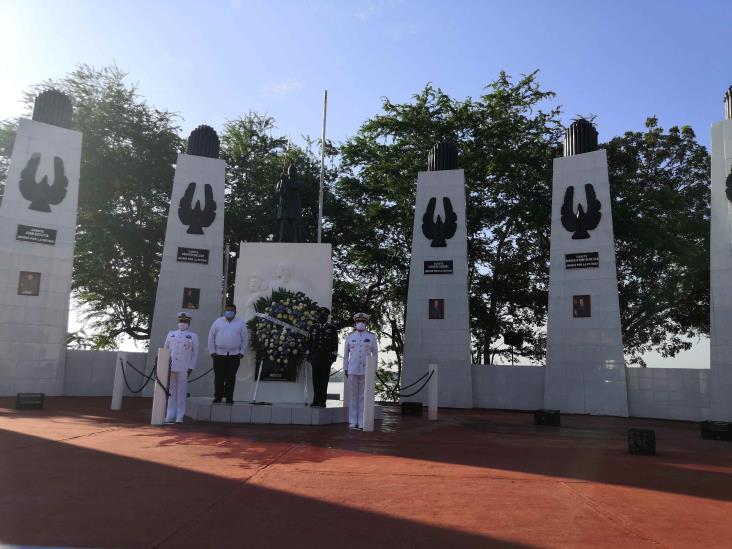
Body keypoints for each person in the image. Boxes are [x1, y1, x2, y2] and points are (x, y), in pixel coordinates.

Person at [342, 312, 378, 430]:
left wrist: (373, 369)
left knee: (363, 397)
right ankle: (352, 422)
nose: (360, 324)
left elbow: (375, 354)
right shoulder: (350, 337)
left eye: (362, 321)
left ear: (366, 323)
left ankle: (362, 421)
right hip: (352, 369)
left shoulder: (372, 337)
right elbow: (346, 355)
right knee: (352, 397)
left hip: (366, 370)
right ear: (355, 323)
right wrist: (346, 368)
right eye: (358, 322)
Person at [208, 304, 249, 404]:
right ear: (224, 311)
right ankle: (218, 397)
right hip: (219, 354)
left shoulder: (240, 323)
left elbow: (245, 338)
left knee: (231, 377)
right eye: (227, 310)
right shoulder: (218, 322)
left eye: (231, 310)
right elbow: (211, 337)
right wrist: (212, 351)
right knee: (219, 377)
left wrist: (242, 352)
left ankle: (229, 398)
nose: (229, 312)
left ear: (235, 312)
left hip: (234, 355)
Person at [163, 312, 199, 424]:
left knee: (181, 392)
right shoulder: (171, 334)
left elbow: (195, 353)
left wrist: (191, 367)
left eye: (185, 321)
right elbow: (166, 350)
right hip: (171, 366)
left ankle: (180, 416)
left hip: (184, 367)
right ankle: (170, 414)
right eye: (181, 321)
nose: (182, 323)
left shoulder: (193, 336)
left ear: (189, 323)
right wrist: (165, 365)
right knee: (171, 392)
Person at [306, 306, 339, 407]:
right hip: (315, 358)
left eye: (324, 315)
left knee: (324, 381)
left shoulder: (332, 328)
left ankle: (322, 401)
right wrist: (308, 355)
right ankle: (316, 400)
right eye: (320, 315)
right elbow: (309, 342)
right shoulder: (313, 328)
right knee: (315, 381)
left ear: (327, 316)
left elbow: (335, 344)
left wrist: (333, 358)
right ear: (318, 316)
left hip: (326, 359)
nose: (322, 317)